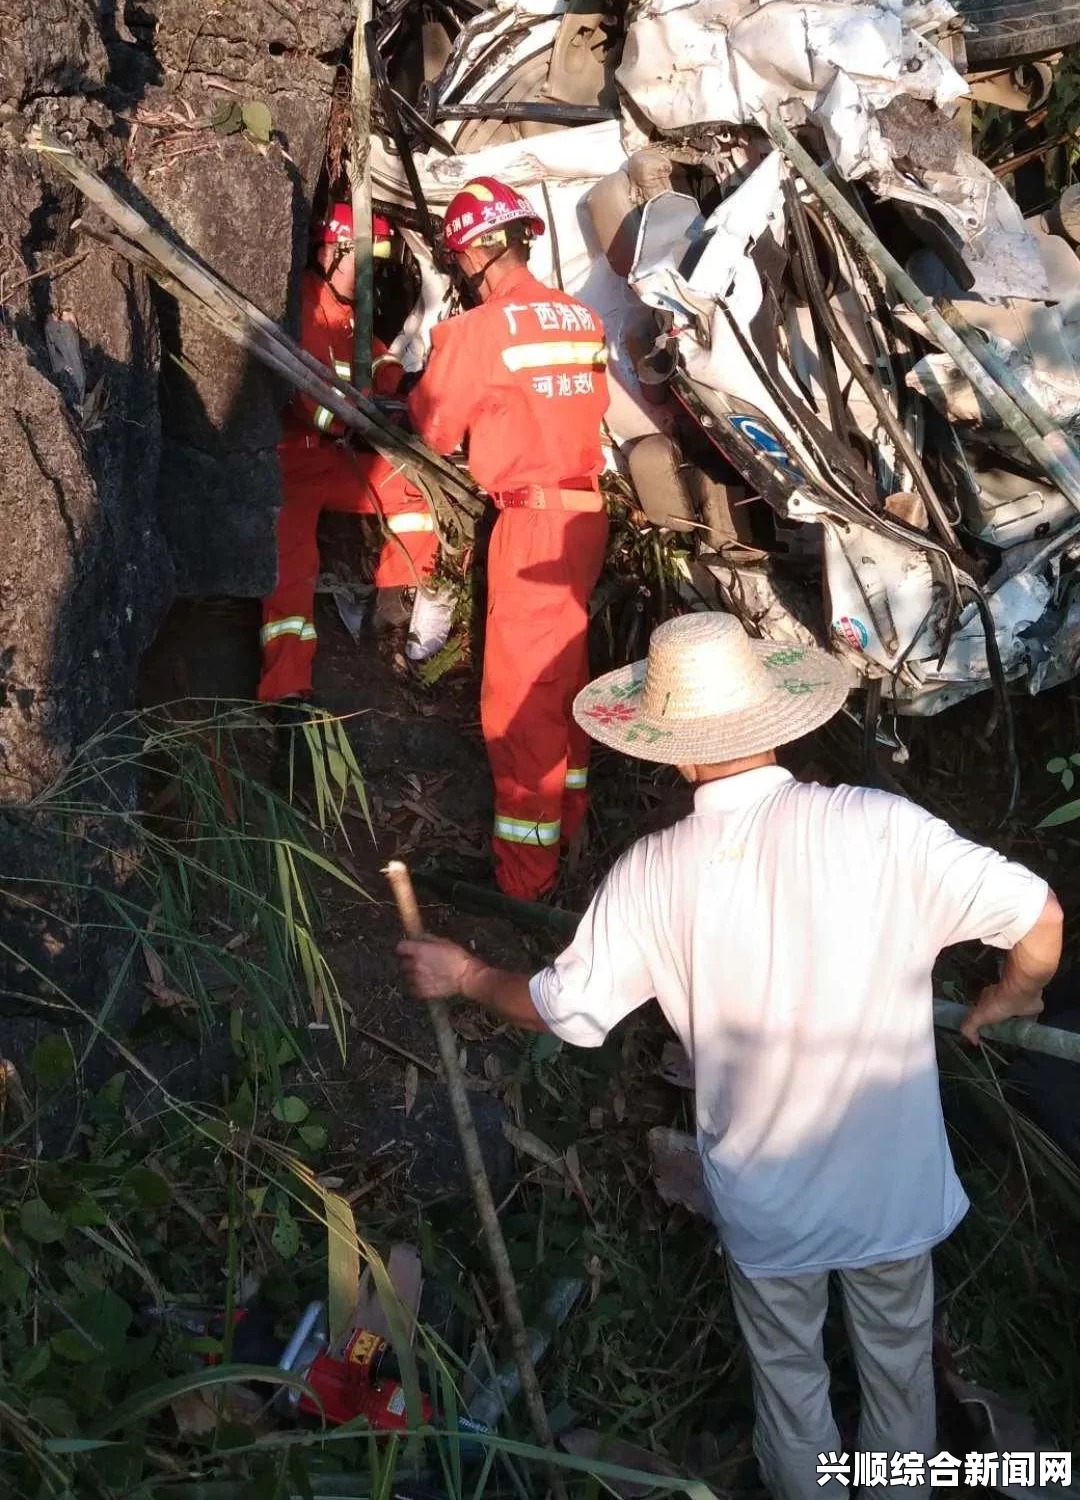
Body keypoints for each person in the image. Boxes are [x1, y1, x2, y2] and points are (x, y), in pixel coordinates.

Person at [397, 611, 1063, 1500]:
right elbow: (1037, 915)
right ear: (780, 721)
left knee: (791, 1388)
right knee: (899, 1372)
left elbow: (563, 1010)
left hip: (768, 1201)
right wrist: (1011, 994)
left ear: (674, 753)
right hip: (890, 1183)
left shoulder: (651, 873)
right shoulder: (878, 826)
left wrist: (470, 971)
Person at [407, 178, 610, 898]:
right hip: (584, 517)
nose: (460, 272)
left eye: (460, 259)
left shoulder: (475, 333)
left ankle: (525, 882)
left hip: (531, 524)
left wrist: (429, 366)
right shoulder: (582, 320)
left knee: (518, 698)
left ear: (482, 251)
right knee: (563, 677)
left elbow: (434, 426)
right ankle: (572, 819)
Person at [258, 202, 440, 706]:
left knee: (414, 493)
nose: (367, 274)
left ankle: (390, 619)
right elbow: (299, 397)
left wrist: (410, 388)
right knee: (291, 574)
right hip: (286, 464)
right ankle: (287, 690)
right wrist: (351, 417)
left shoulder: (350, 315)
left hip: (333, 461)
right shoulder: (301, 306)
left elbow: (383, 366)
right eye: (359, 259)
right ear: (328, 250)